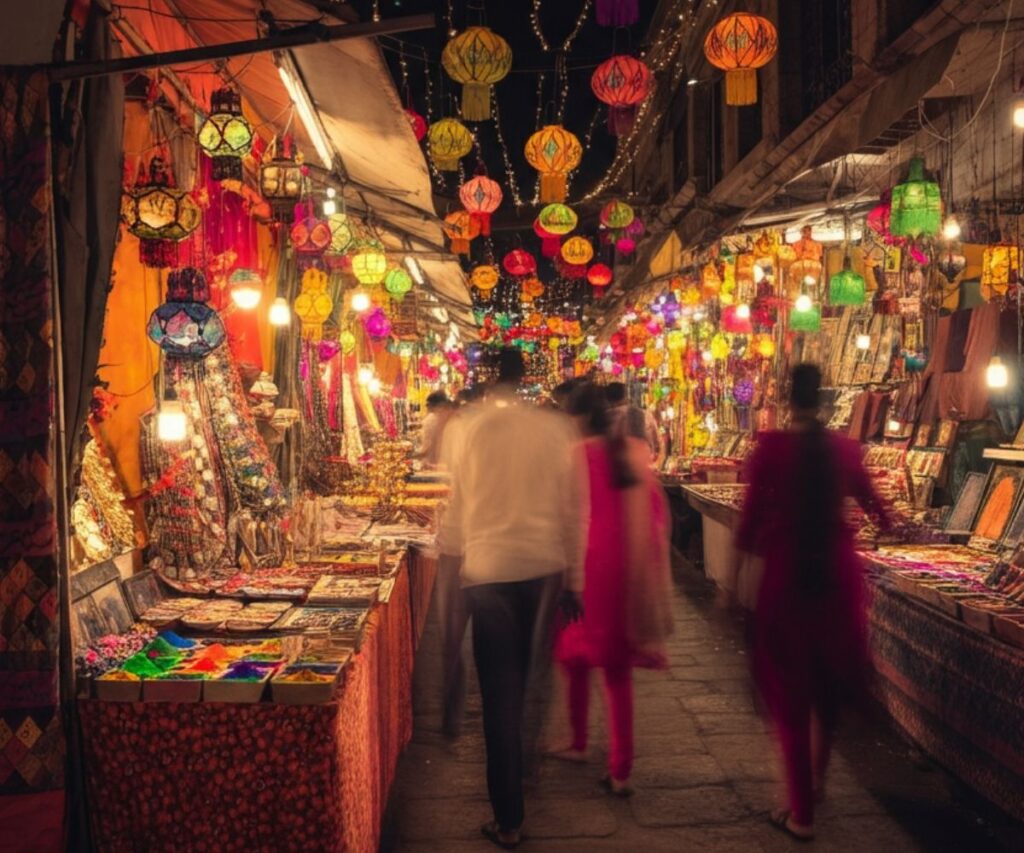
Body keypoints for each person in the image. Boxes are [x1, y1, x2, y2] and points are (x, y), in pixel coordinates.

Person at [732, 363, 890, 842]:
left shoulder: (772, 449)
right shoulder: (844, 448)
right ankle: (816, 783)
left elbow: (750, 521)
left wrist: (737, 584)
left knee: (792, 693)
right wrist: (886, 530)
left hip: (788, 577)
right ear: (821, 397)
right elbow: (879, 509)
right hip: (838, 578)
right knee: (827, 682)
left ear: (786, 396)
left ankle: (801, 812)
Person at [447, 348, 583, 849]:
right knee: (532, 682)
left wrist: (454, 568)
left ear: (491, 378)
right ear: (526, 377)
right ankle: (526, 767)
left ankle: (508, 818)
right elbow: (571, 508)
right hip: (543, 569)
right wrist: (576, 579)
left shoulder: (471, 427)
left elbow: (458, 508)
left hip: (487, 573)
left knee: (499, 697)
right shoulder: (553, 429)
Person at [551, 383, 673, 797]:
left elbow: (567, 516)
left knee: (574, 656)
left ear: (579, 418)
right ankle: (621, 770)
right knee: (616, 671)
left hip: (589, 566)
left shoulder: (576, 455)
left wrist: (567, 576)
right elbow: (656, 512)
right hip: (625, 567)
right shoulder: (630, 451)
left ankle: (579, 740)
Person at [435, 383, 484, 739]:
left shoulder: (457, 429)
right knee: (487, 636)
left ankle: (452, 710)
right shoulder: (495, 430)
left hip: (459, 544)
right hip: (486, 546)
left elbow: (451, 485)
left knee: (453, 632)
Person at [605, 382, 663, 465]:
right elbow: (657, 444)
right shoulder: (644, 415)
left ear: (607, 399)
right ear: (625, 396)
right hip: (642, 467)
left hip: (613, 469)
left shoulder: (604, 419)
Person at [419, 391, 452, 467]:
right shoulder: (448, 417)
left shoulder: (430, 420)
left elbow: (427, 445)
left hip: (432, 463)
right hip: (445, 463)